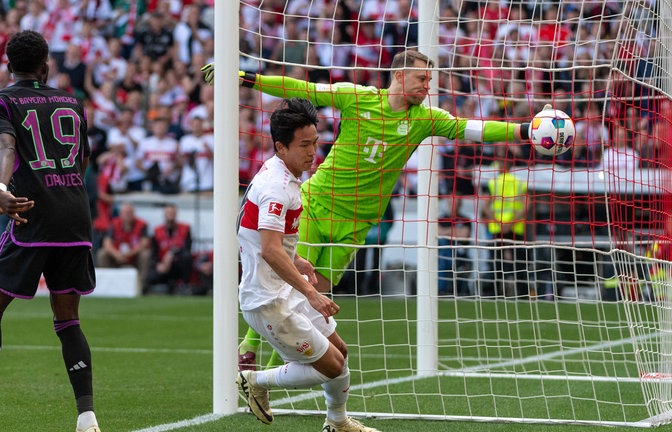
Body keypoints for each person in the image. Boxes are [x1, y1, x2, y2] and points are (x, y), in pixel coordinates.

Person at [202, 49, 550, 368]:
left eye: (429, 80)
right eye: (422, 78)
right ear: (400, 76)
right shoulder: (359, 98)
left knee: (313, 295)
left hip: (357, 222)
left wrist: (524, 131)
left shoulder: (424, 119)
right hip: (317, 204)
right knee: (290, 283)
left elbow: (471, 128)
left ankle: (265, 376)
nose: (427, 86)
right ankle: (249, 350)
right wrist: (245, 77)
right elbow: (302, 89)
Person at [0, 30, 101, 432]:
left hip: (31, 214)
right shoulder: (72, 102)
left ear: (7, 66)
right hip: (75, 218)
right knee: (68, 319)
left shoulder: (0, 101)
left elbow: (4, 146)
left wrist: (2, 188)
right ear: (46, 67)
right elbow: (82, 162)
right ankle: (87, 419)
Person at [235, 97, 380, 432]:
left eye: (315, 142)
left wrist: (298, 260)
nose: (313, 151)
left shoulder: (284, 174)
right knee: (331, 366)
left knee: (340, 351)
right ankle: (254, 381)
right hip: (267, 301)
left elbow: (262, 237)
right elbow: (270, 251)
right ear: (281, 147)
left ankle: (337, 422)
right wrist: (311, 293)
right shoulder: (276, 187)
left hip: (284, 288)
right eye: (304, 145)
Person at [482, 154, 531, 297]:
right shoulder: (519, 183)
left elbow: (485, 206)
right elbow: (526, 206)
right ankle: (523, 296)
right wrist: (511, 222)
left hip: (497, 228)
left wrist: (499, 222)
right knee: (520, 264)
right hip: (515, 228)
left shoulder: (493, 183)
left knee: (496, 263)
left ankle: (494, 294)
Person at [97, 201, 152, 287]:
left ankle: (141, 285)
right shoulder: (113, 224)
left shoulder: (142, 224)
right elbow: (106, 243)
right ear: (120, 214)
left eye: (129, 213)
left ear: (134, 213)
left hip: (134, 256)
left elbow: (144, 243)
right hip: (117, 256)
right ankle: (106, 284)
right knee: (102, 253)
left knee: (145, 254)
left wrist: (129, 254)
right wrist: (116, 254)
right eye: (125, 213)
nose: (127, 215)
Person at [144, 203, 192, 294]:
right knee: (151, 277)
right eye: (168, 213)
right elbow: (154, 252)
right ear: (164, 215)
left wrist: (171, 254)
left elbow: (187, 248)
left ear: (176, 214)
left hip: (178, 263)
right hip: (163, 265)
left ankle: (184, 285)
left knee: (187, 257)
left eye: (172, 213)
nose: (170, 216)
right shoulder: (157, 231)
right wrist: (158, 264)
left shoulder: (185, 229)